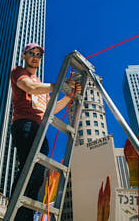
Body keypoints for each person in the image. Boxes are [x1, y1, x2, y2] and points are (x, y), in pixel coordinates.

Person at [10, 43, 81, 220]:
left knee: (38, 175)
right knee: (28, 168)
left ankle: (25, 215)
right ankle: (16, 214)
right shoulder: (19, 72)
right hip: (24, 124)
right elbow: (29, 88)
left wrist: (69, 95)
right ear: (24, 56)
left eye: (39, 55)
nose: (35, 57)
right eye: (31, 53)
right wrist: (58, 85)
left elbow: (52, 108)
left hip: (39, 127)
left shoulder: (42, 86)